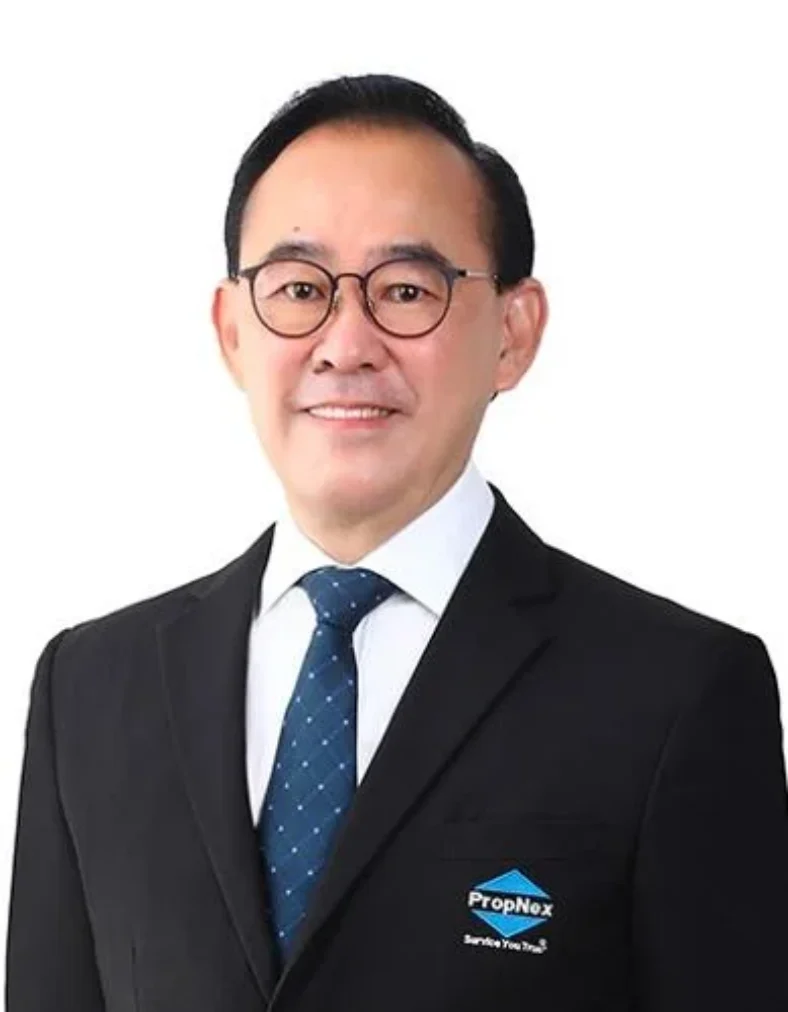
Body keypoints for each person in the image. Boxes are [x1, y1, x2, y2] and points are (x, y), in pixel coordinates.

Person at [5, 72, 787, 1012]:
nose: (346, 343)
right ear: (232, 332)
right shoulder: (91, 688)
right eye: (299, 289)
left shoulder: (678, 693)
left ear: (513, 332)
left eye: (407, 290)